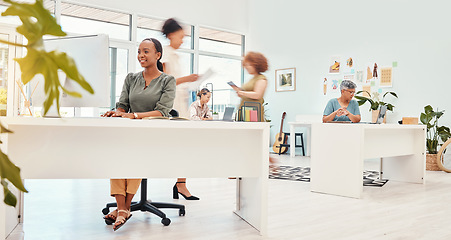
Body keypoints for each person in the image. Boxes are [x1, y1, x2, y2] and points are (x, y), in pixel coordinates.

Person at [101, 38, 176, 231]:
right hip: (129, 132)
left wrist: (134, 116)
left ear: (157, 55)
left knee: (135, 155)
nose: (141, 55)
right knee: (116, 155)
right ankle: (123, 208)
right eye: (139, 51)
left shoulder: (167, 80)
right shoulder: (131, 78)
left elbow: (163, 112)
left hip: (152, 135)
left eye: (146, 51)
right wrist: (117, 112)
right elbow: (122, 105)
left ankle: (122, 210)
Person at [161, 18, 199, 201]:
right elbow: (165, 82)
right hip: (171, 108)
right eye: (181, 36)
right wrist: (187, 79)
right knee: (180, 144)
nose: (183, 40)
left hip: (180, 105)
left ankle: (181, 183)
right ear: (171, 35)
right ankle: (180, 183)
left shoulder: (175, 55)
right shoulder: (166, 54)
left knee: (186, 144)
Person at [230, 52, 268, 122]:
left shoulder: (261, 79)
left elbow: (257, 95)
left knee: (251, 131)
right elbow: (247, 94)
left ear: (256, 65)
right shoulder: (252, 79)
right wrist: (239, 91)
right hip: (244, 109)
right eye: (245, 65)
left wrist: (242, 93)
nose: (246, 67)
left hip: (253, 111)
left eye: (248, 65)